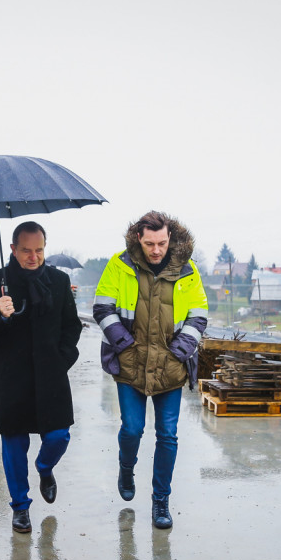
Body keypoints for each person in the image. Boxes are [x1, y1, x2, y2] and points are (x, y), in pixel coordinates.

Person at [93, 211, 209, 529]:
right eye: (149, 243)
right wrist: (125, 345)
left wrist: (180, 351)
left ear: (170, 238)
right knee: (132, 429)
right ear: (138, 239)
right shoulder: (119, 265)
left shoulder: (188, 271)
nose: (156, 250)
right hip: (129, 363)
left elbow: (199, 315)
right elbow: (102, 307)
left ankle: (161, 501)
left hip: (171, 366)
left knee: (167, 435)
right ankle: (126, 466)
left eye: (161, 243)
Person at [0, 222, 82, 533]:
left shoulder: (59, 281)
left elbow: (71, 326)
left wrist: (61, 360)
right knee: (14, 443)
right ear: (12, 249)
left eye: (39, 250)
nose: (33, 257)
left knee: (59, 436)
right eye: (26, 251)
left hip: (51, 374)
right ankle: (20, 506)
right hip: (12, 376)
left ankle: (45, 467)